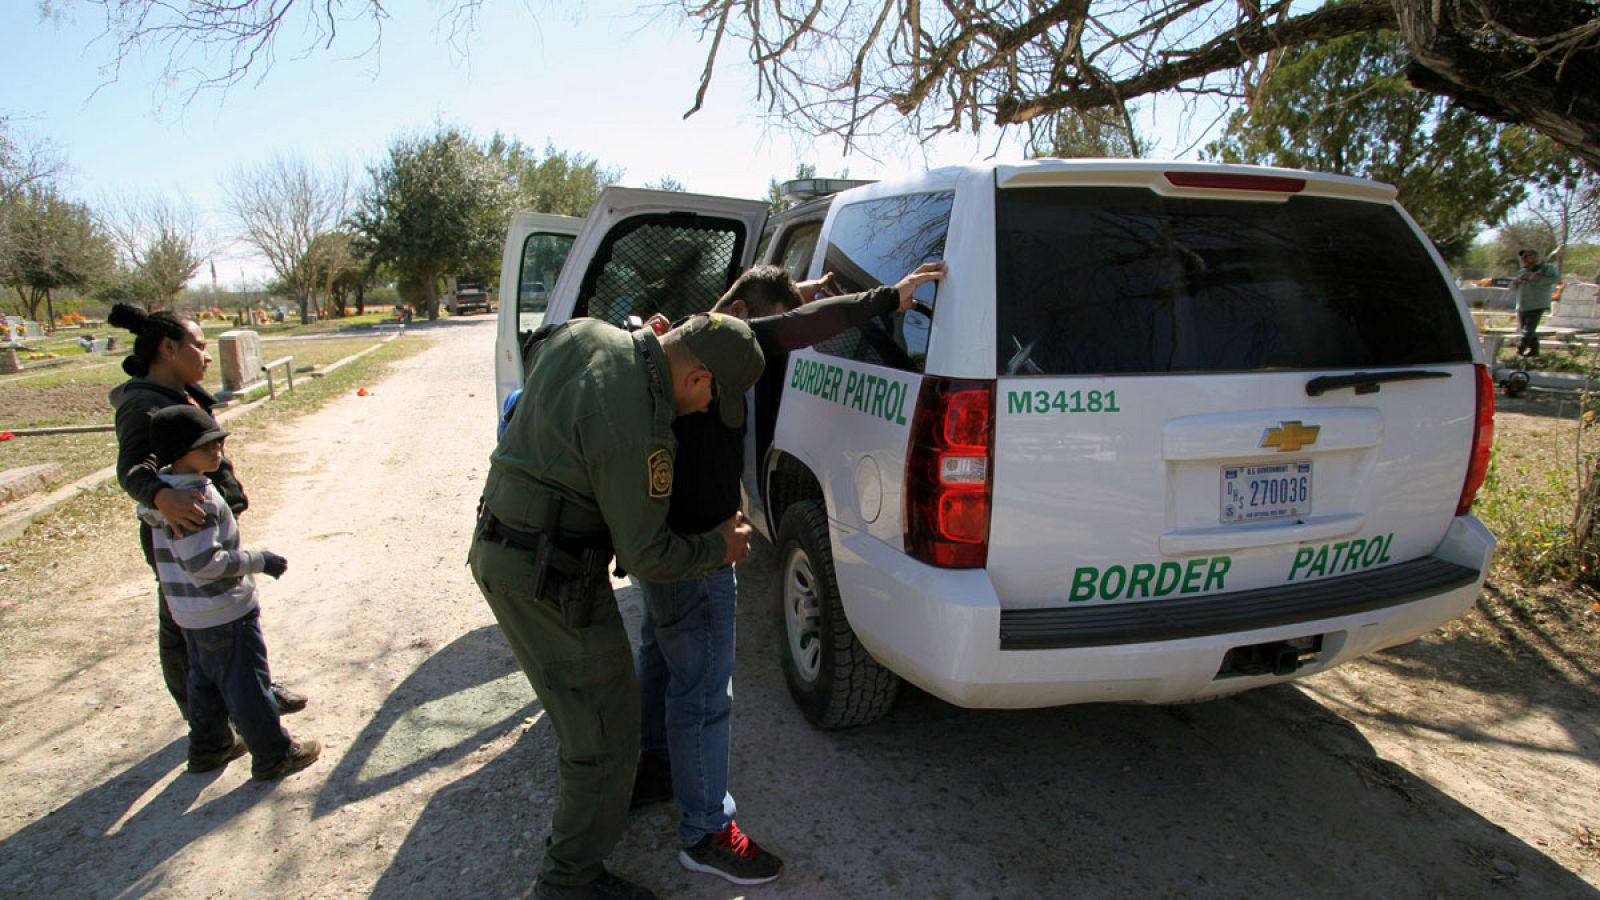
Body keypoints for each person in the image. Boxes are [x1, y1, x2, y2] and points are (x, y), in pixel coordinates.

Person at [629, 261, 947, 886]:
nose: (775, 334)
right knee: (703, 696)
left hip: (656, 545)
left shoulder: (689, 339)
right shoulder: (729, 349)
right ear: (748, 317)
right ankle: (704, 831)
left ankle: (653, 766)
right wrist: (889, 297)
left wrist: (797, 297)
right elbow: (800, 326)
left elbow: (791, 318)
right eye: (770, 316)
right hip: (702, 553)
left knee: (661, 656)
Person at [469, 312, 765, 900]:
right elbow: (649, 554)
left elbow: (540, 352)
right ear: (699, 377)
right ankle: (568, 880)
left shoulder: (587, 334)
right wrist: (720, 546)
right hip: (547, 578)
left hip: (507, 546)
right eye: (712, 399)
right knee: (603, 739)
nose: (706, 412)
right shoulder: (641, 431)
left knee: (607, 718)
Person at [108, 303, 307, 722]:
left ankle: (254, 693)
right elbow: (132, 469)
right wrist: (161, 496)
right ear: (167, 348)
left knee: (233, 615)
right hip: (183, 533)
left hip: (210, 524)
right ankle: (207, 722)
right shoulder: (140, 403)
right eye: (198, 345)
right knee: (187, 628)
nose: (207, 354)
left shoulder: (182, 394)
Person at [136, 405, 321, 780]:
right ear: (177, 451)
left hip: (189, 614)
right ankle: (274, 752)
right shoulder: (192, 502)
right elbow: (204, 562)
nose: (216, 449)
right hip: (223, 611)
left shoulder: (164, 495)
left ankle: (210, 746)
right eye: (204, 445)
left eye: (218, 440)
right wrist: (259, 561)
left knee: (203, 683)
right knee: (248, 686)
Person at [1511, 248, 1558, 357]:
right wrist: (1518, 280)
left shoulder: (1546, 268)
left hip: (1537, 304)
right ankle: (1534, 351)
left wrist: (1538, 278)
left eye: (1527, 256)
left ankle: (1519, 350)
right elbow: (1511, 287)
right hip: (1523, 304)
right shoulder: (1522, 271)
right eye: (1522, 257)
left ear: (1535, 257)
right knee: (1527, 329)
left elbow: (1554, 279)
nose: (1523, 259)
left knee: (1528, 330)